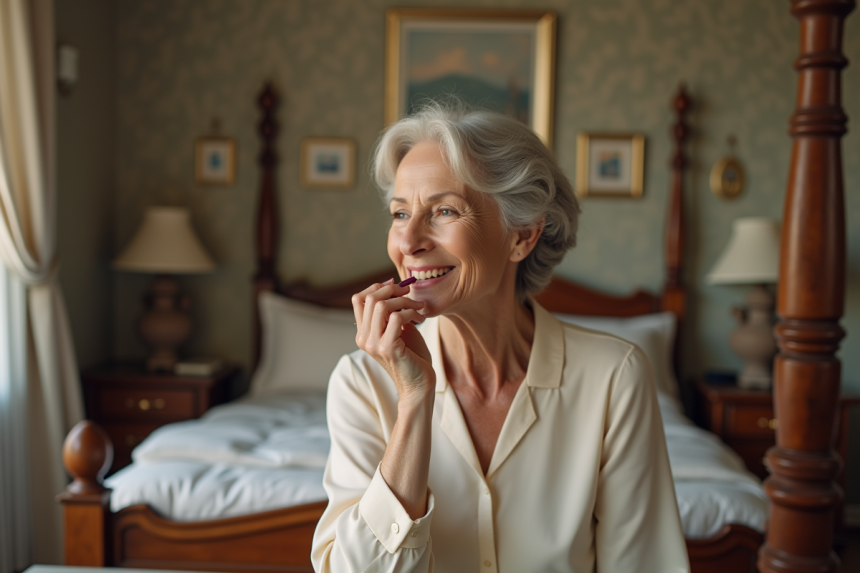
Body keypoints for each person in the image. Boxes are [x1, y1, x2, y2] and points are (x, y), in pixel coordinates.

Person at [311, 103, 689, 572]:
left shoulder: (614, 377)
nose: (407, 241)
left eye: (444, 210)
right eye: (400, 212)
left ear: (523, 235)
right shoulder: (361, 381)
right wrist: (413, 401)